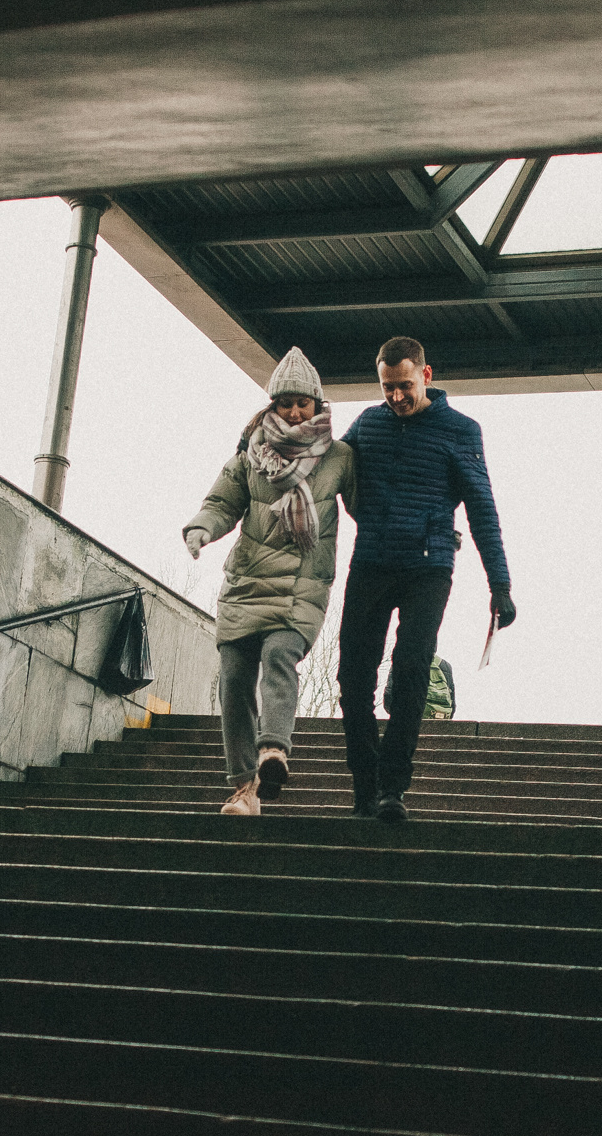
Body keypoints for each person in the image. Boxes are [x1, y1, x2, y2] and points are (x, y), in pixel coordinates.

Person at [336, 336, 513, 821]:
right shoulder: (368, 424)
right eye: (387, 388)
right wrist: (255, 438)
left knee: (412, 668)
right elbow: (320, 461)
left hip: (429, 566)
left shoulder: (461, 430)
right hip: (371, 560)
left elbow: (482, 508)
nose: (396, 398)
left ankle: (392, 789)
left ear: (427, 376)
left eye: (405, 386)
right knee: (352, 677)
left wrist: (500, 584)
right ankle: (364, 785)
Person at [181, 346, 356, 815]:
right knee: (235, 679)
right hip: (247, 583)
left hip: (301, 586)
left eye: (303, 402)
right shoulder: (250, 454)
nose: (295, 411)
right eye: (285, 403)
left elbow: (371, 508)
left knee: (280, 655)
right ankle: (245, 789)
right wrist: (201, 527)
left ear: (318, 405)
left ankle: (273, 750)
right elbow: (222, 502)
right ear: (272, 406)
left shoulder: (339, 457)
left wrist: (425, 528)